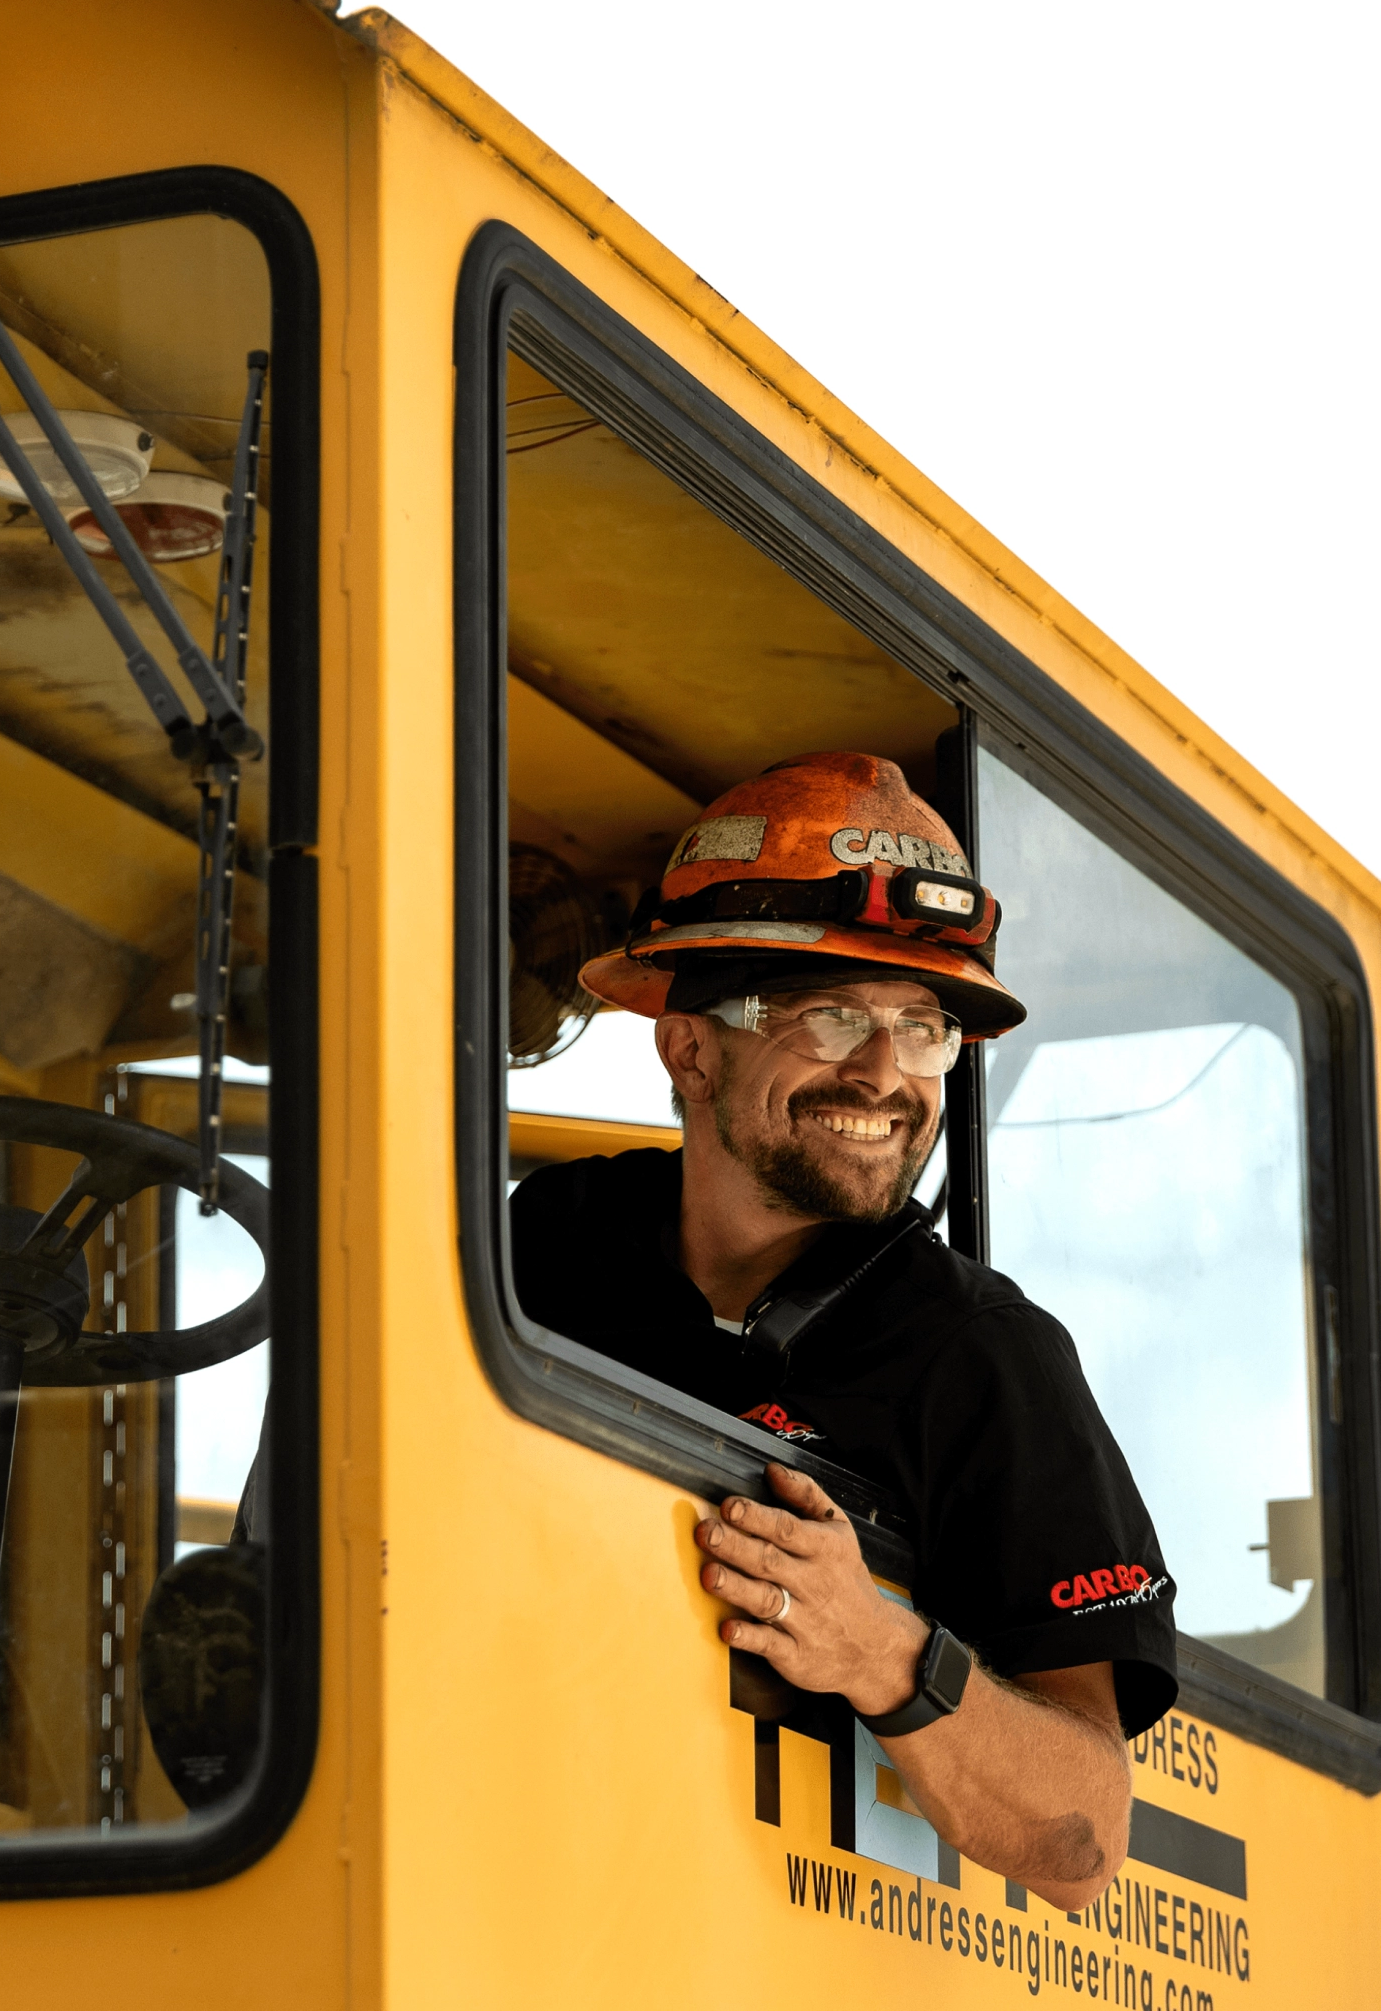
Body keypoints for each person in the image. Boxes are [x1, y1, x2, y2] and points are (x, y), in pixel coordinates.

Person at [509, 750, 1176, 1911]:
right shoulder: (549, 1242)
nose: (886, 1075)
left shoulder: (979, 1356)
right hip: (524, 1855)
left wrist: (874, 1647)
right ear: (687, 1045)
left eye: (923, 1028)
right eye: (828, 1014)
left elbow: (1082, 1839)